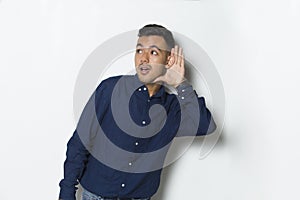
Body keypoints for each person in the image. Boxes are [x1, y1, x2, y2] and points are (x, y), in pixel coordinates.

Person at [59, 24, 216, 200]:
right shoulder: (110, 90)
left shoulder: (173, 108)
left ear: (168, 59)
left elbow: (206, 126)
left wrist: (181, 84)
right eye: (139, 51)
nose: (143, 58)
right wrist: (67, 192)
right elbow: (79, 144)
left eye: (154, 52)